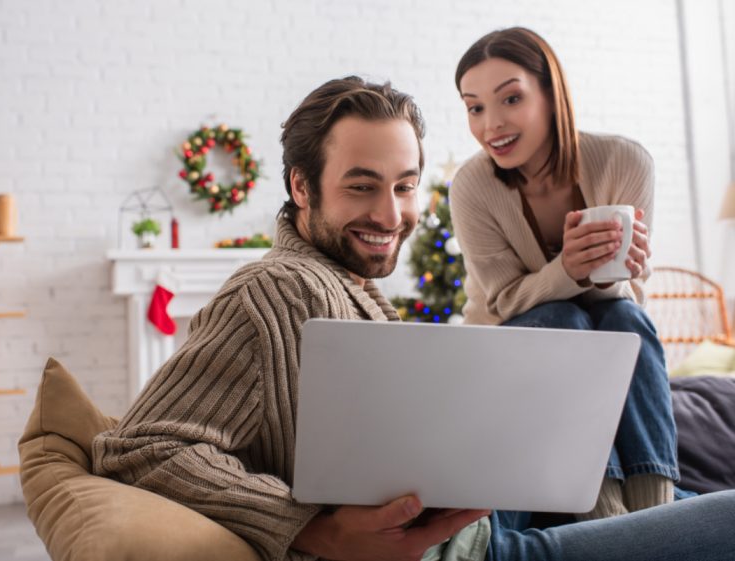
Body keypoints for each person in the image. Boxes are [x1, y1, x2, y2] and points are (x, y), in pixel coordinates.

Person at [93, 76, 735, 561]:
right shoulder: (274, 290)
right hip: (480, 549)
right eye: (361, 185)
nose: (389, 213)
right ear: (301, 187)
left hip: (482, 516)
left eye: (404, 186)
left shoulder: (346, 287)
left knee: (602, 325)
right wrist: (316, 529)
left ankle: (624, 501)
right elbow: (138, 449)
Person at [448, 26, 679, 527]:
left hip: (604, 334)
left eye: (511, 98)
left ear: (553, 95)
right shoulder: (472, 186)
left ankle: (656, 511)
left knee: (623, 317)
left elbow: (627, 296)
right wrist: (569, 270)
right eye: (475, 107)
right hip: (503, 346)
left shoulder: (624, 161)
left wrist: (617, 271)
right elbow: (506, 302)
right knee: (561, 316)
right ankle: (602, 509)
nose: (492, 125)